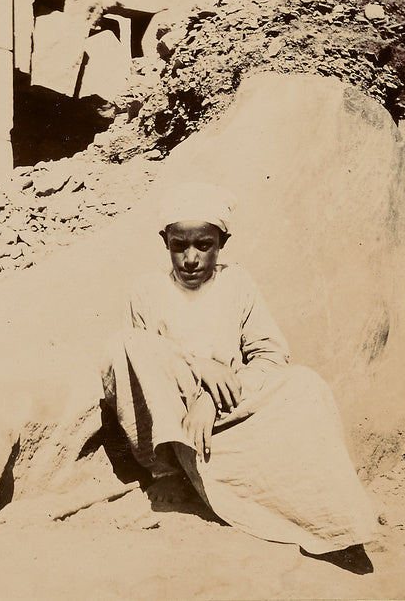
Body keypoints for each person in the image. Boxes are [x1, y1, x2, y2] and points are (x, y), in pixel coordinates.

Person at [101, 181, 378, 566]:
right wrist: (200, 367)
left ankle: (325, 517)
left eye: (204, 245)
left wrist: (214, 397)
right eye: (179, 246)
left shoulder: (238, 284)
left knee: (304, 383)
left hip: (231, 409)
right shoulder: (146, 290)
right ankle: (167, 473)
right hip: (174, 417)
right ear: (165, 241)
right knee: (125, 343)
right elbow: (148, 371)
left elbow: (269, 355)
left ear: (223, 243)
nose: (191, 259)